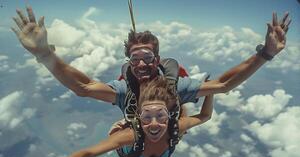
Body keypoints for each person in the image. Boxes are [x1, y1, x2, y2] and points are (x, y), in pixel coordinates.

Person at [11, 7, 291, 120]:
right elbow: (83, 87)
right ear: (128, 62)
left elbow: (224, 85)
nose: (142, 64)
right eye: (135, 58)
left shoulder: (174, 86)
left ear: (157, 60)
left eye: (148, 58)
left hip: (174, 105)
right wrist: (45, 53)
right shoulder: (126, 92)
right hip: (145, 119)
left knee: (194, 94)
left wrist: (265, 54)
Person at [13, 76, 214, 157]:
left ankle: (174, 102)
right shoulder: (130, 137)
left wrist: (210, 92)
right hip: (135, 149)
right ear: (139, 117)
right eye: (147, 117)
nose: (154, 124)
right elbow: (89, 152)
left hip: (153, 147)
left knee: (179, 126)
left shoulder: (175, 126)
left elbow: (205, 116)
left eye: (161, 116)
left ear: (168, 116)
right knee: (172, 128)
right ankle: (129, 119)